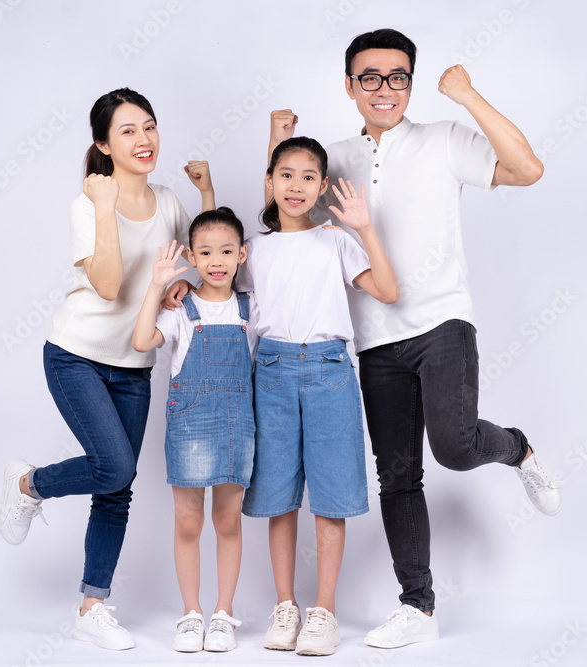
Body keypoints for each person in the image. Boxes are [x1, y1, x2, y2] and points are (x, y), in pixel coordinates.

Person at [266, 28, 562, 649]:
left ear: (411, 84)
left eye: (397, 76)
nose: (384, 88)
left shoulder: (444, 140)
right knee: (398, 475)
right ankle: (418, 607)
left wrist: (469, 96)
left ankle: (518, 449)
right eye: (369, 77)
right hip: (372, 341)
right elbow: (283, 220)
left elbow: (528, 169)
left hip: (441, 322)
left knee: (454, 445)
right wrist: (276, 141)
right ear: (349, 86)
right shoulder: (335, 158)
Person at [0, 87, 215, 651]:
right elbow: (111, 284)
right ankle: (29, 484)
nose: (144, 140)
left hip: (133, 364)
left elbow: (195, 262)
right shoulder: (85, 206)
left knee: (116, 489)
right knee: (113, 466)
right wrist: (102, 204)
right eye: (128, 131)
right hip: (75, 354)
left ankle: (92, 606)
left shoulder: (168, 202)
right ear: (103, 144)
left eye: (150, 126)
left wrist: (178, 284)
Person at [240, 136, 398, 657]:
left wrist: (364, 226)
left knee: (330, 495)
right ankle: (286, 605)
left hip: (329, 369)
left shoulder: (335, 240)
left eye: (309, 177)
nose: (296, 185)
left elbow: (388, 290)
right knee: (278, 496)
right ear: (270, 181)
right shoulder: (254, 248)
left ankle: (324, 611)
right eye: (285, 174)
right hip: (273, 370)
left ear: (323, 187)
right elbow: (214, 275)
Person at [132, 207, 257, 653]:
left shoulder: (251, 308)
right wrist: (157, 285)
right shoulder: (181, 307)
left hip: (239, 424)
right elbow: (142, 341)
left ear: (242, 254)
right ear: (191, 256)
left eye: (226, 250)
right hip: (189, 425)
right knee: (188, 523)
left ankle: (223, 613)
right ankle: (191, 614)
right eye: (205, 252)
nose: (217, 260)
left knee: (227, 521)